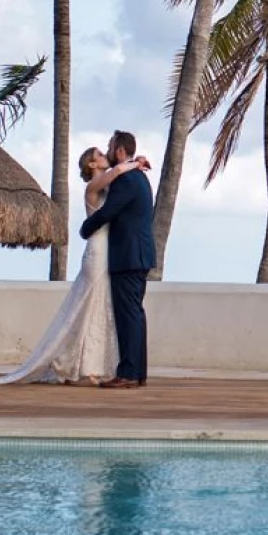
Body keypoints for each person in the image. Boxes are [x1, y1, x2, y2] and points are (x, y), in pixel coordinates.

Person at [0, 145, 146, 386]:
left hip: (111, 253)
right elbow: (116, 172)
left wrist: (136, 162)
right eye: (99, 155)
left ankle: (88, 365)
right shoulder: (93, 187)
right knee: (86, 305)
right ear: (92, 165)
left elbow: (118, 181)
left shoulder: (109, 185)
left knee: (98, 308)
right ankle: (68, 362)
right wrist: (135, 163)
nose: (104, 156)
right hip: (97, 251)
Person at [83, 128, 155, 389]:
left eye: (110, 146)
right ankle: (137, 373)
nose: (108, 149)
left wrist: (85, 228)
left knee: (129, 316)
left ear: (120, 151)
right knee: (134, 314)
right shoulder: (137, 176)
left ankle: (128, 374)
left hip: (128, 256)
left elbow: (108, 212)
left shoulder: (126, 180)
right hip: (137, 254)